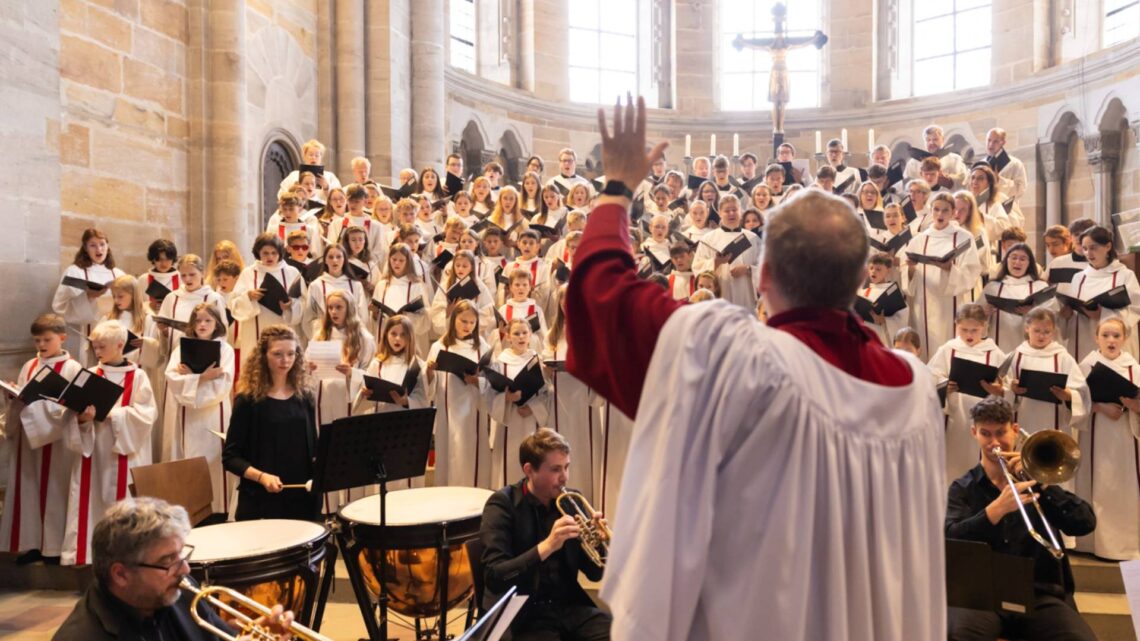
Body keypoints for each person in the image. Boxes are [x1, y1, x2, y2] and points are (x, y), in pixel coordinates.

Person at [566, 95, 945, 641]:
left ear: (761, 274)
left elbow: (602, 297)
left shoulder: (737, 361)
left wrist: (618, 188)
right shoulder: (913, 393)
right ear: (863, 279)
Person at [945, 397, 1097, 641]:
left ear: (1015, 431)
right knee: (959, 636)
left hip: (1039, 594)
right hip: (982, 596)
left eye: (1001, 433)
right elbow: (950, 537)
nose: (994, 442)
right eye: (986, 433)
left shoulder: (1038, 483)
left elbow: (1085, 523)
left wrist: (1045, 488)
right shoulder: (963, 488)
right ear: (974, 433)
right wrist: (993, 512)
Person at [52, 496, 295, 641]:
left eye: (181, 554)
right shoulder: (81, 636)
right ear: (121, 574)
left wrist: (257, 633)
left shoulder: (181, 592)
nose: (185, 569)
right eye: (168, 560)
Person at [479, 428, 610, 641]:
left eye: (566, 467)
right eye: (555, 469)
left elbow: (595, 574)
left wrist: (598, 544)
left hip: (568, 605)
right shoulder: (502, 505)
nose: (564, 477)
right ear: (529, 470)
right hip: (523, 613)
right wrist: (547, 546)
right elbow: (495, 576)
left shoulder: (571, 502)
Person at [63, 320, 158, 566]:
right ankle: (91, 558)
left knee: (124, 505)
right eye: (94, 346)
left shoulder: (138, 376)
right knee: (92, 501)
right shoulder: (89, 375)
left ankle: (127, 561)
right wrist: (83, 419)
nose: (97, 351)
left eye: (102, 346)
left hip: (124, 449)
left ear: (119, 345)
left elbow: (146, 415)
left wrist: (112, 414)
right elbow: (72, 414)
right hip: (94, 451)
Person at [0, 314, 83, 562]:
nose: (41, 345)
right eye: (37, 340)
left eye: (47, 339)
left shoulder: (72, 368)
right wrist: (13, 397)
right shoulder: (30, 365)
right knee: (30, 490)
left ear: (63, 338)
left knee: (56, 491)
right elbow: (25, 395)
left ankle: (54, 548)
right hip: (30, 440)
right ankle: (34, 544)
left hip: (56, 442)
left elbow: (70, 406)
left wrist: (37, 407)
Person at [222, 325, 320, 521]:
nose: (286, 361)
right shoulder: (248, 400)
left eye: (291, 354)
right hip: (260, 500)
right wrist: (261, 477)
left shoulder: (305, 396)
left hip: (302, 498)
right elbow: (231, 458)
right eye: (278, 354)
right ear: (263, 356)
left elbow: (312, 449)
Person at [163, 304, 235, 514]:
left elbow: (224, 384)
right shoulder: (180, 348)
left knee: (215, 462)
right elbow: (172, 378)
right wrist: (202, 378)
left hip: (215, 413)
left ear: (217, 324)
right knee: (190, 460)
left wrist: (191, 379)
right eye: (198, 321)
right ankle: (193, 510)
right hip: (188, 416)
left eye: (207, 321)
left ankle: (219, 510)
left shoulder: (225, 349)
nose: (202, 325)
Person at [52, 228, 127, 366]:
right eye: (93, 245)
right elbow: (59, 305)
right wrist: (87, 297)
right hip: (83, 335)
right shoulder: (74, 272)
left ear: (108, 246)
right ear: (85, 248)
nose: (99, 249)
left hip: (112, 336)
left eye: (102, 244)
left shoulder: (118, 274)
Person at [904, 125, 967, 190]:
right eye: (928, 140)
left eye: (935, 139)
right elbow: (906, 184)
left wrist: (950, 179)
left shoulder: (955, 159)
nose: (931, 143)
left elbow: (964, 180)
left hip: (948, 197)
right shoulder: (913, 163)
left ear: (942, 140)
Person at [983, 128, 1027, 204]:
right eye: (989, 140)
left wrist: (1000, 180)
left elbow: (1021, 189)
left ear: (1002, 142)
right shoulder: (981, 163)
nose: (991, 144)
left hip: (1006, 210)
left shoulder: (1015, 164)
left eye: (995, 141)